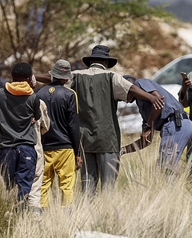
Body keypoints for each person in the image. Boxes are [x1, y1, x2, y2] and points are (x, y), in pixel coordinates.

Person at [58, 45, 164, 195]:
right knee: (108, 187)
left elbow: (55, 81)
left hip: (84, 139)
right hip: (108, 139)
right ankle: (106, 215)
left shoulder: (75, 76)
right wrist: (151, 97)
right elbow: (131, 89)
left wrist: (33, 77)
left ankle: (85, 217)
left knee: (87, 187)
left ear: (91, 61)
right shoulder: (112, 77)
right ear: (106, 62)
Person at [121, 75, 192, 171]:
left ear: (128, 87)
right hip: (181, 124)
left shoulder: (139, 83)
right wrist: (123, 150)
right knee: (168, 165)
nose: (121, 97)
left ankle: (169, 186)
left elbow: (158, 99)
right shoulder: (143, 105)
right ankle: (174, 185)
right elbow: (146, 140)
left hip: (175, 124)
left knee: (166, 167)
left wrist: (149, 125)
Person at [0, 62, 42, 202]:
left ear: (12, 76)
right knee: (24, 188)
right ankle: (21, 219)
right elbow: (37, 116)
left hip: (6, 148)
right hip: (26, 147)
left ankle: (7, 218)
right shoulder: (33, 97)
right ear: (28, 79)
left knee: (6, 187)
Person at [36, 60, 81, 209]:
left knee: (43, 185)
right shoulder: (70, 94)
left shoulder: (39, 93)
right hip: (65, 147)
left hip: (44, 146)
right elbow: (73, 126)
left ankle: (41, 218)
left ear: (52, 75)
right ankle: (66, 219)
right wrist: (77, 152)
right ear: (66, 78)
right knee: (67, 186)